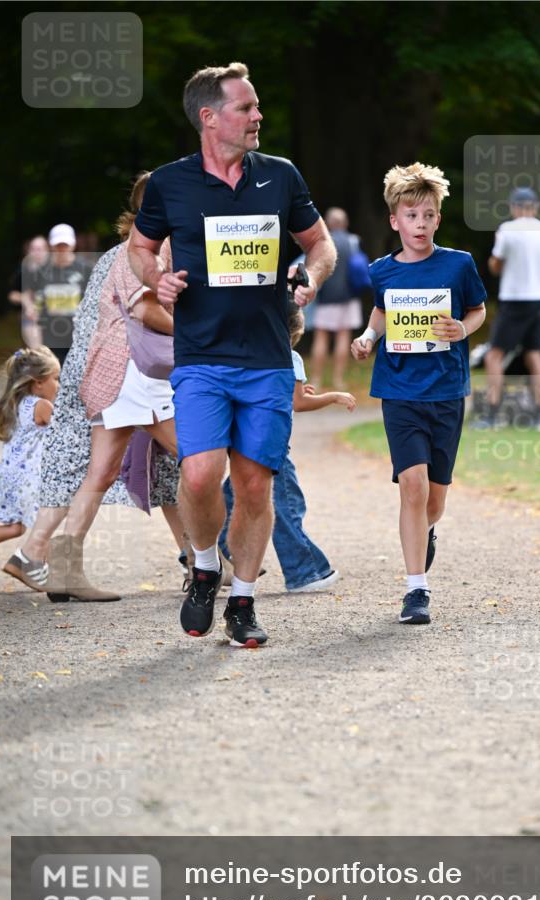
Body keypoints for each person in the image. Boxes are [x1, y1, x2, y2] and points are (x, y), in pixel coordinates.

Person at [128, 61, 335, 648]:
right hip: (201, 356)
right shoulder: (171, 183)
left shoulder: (281, 175)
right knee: (199, 476)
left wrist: (312, 277)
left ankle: (242, 601)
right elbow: (142, 250)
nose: (257, 116)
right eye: (246, 108)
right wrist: (157, 279)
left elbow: (318, 245)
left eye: (257, 106)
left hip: (267, 356)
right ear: (209, 117)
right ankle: (204, 565)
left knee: (254, 486)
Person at [3, 189, 181, 600]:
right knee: (191, 454)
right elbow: (142, 310)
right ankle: (209, 559)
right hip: (126, 370)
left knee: (101, 471)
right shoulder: (146, 249)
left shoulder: (121, 251)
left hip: (103, 370)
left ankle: (61, 568)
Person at [351, 162, 487, 625]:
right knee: (412, 486)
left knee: (434, 500)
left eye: (428, 215)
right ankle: (416, 591)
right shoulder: (381, 271)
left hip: (447, 391)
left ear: (437, 219)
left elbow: (478, 311)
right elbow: (381, 312)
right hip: (399, 389)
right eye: (412, 216)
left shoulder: (458, 264)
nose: (421, 224)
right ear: (396, 221)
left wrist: (461, 330)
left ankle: (425, 531)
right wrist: (368, 339)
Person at [220, 299, 355, 592]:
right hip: (272, 442)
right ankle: (305, 571)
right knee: (287, 505)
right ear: (295, 327)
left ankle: (205, 551)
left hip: (243, 440)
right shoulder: (288, 356)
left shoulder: (248, 351)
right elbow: (298, 402)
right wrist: (332, 397)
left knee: (232, 497)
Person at [482, 187, 540, 427]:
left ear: (514, 207)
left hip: (515, 300)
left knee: (494, 355)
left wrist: (494, 252)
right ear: (535, 207)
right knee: (534, 355)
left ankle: (492, 413)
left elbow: (496, 266)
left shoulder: (507, 230)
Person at [0, 347, 60, 546]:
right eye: (55, 379)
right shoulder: (42, 406)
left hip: (9, 475)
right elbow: (67, 432)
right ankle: (37, 566)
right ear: (38, 383)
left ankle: (37, 566)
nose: (58, 385)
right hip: (27, 479)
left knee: (15, 527)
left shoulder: (16, 404)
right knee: (46, 522)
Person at [310, 207, 364, 390]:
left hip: (325, 298)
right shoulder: (353, 241)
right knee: (343, 337)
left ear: (327, 224)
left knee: (321, 339)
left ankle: (316, 381)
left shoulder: (322, 243)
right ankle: (338, 381)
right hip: (348, 297)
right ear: (346, 223)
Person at [25, 224, 92, 366]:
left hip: (79, 340)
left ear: (73, 244)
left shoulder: (87, 269)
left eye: (65, 245)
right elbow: (30, 295)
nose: (61, 249)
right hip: (49, 341)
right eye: (58, 245)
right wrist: (31, 308)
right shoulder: (41, 272)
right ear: (51, 246)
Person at [7, 236, 49, 348]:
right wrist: (26, 300)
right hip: (30, 318)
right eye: (33, 249)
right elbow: (12, 295)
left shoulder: (56, 269)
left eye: (40, 249)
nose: (36, 252)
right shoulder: (22, 271)